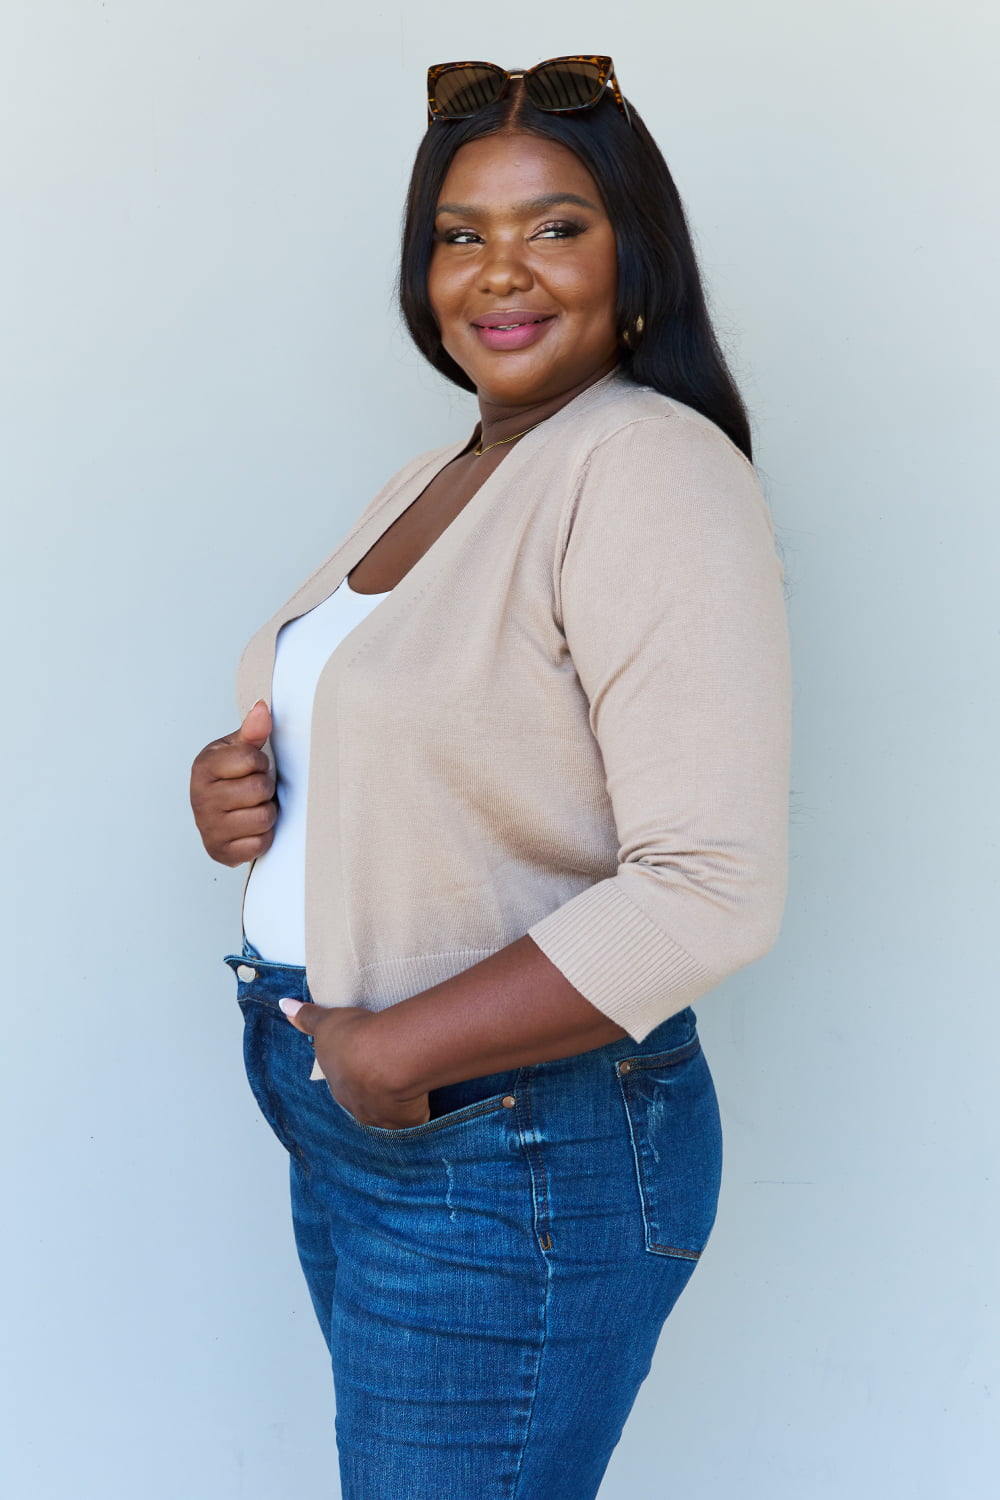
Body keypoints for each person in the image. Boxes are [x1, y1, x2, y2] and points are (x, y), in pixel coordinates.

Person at [189, 55, 792, 1500]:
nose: (499, 271)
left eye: (555, 225)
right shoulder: (437, 475)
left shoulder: (647, 467)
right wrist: (246, 792)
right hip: (369, 1106)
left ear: (634, 253)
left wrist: (397, 1057)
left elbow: (709, 890)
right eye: (461, 234)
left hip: (508, 1135)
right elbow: (437, 743)